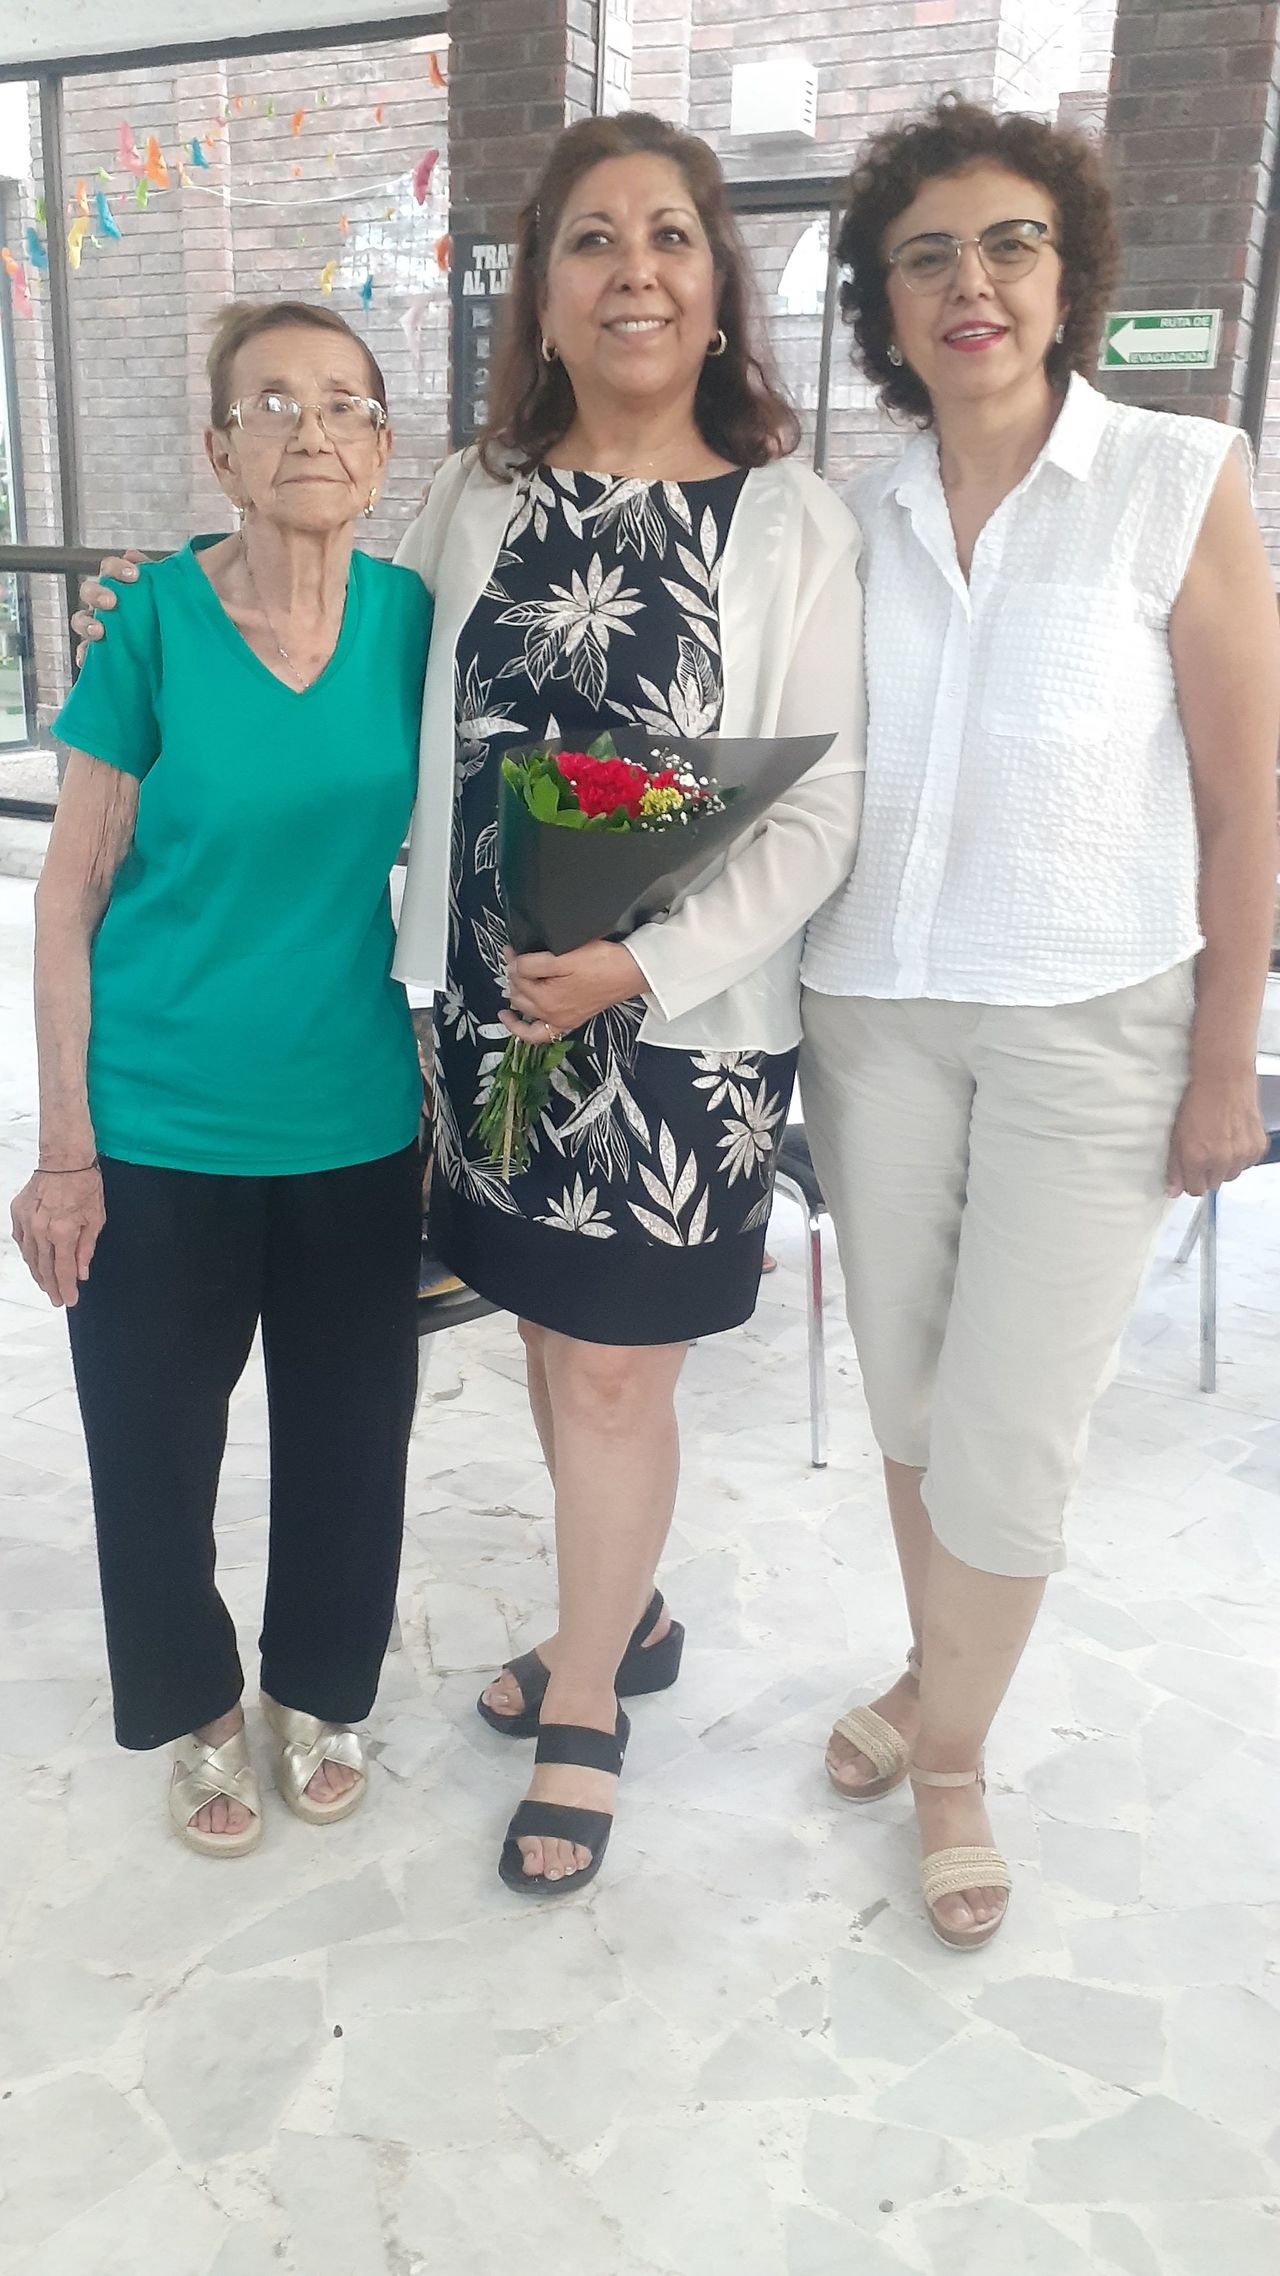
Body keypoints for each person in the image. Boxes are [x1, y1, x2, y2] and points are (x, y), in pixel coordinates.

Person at [799, 98, 1279, 1948]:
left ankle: (953, 1762)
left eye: (1009, 245)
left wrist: (1226, 1060)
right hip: (874, 1017)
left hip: (1095, 1022)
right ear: (885, 302)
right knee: (915, 1397)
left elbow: (1243, 800)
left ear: (1068, 277)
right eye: (926, 255)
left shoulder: (1175, 475)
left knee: (1014, 1427)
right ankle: (941, 1670)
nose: (971, 283)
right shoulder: (852, 516)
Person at [391, 109, 865, 1895]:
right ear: (544, 293)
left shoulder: (793, 521)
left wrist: (638, 962)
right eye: (592, 239)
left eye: (670, 236)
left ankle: (587, 1695)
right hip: (491, 1015)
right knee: (548, 1340)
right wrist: (198, 613)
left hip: (680, 1036)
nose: (634, 271)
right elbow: (369, 693)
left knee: (610, 1377)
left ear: (718, 287)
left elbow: (819, 810)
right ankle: (629, 1608)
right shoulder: (474, 495)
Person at [11, 301, 432, 1857]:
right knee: (151, 1449)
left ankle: (317, 1691)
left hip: (352, 1117)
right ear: (218, 451)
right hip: (160, 1120)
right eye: (271, 404)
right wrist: (66, 1150)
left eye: (344, 403)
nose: (310, 429)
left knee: (350, 1441)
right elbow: (68, 896)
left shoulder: (414, 621)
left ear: (383, 448)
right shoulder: (151, 624)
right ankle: (196, 1708)